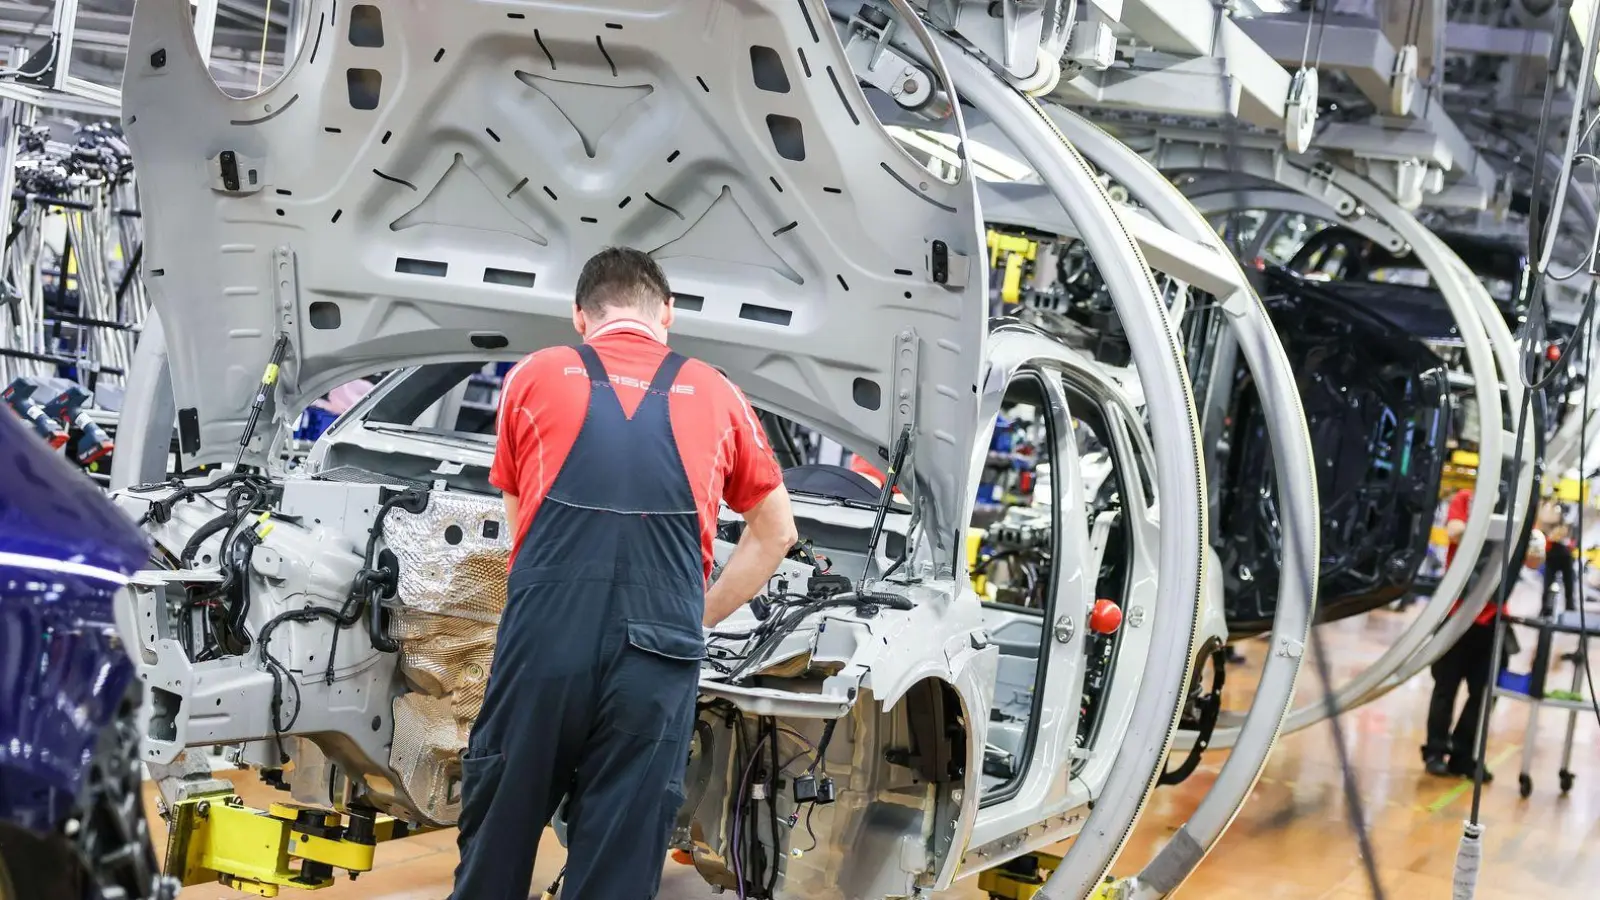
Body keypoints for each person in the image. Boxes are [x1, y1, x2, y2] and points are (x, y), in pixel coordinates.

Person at [450, 247, 799, 899]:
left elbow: (518, 517)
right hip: (658, 650)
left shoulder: (535, 374)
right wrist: (694, 618)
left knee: (500, 829)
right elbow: (777, 531)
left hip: (545, 643)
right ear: (667, 314)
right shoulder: (720, 392)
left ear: (580, 318)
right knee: (619, 855)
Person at [1421, 488, 1542, 780]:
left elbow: (1533, 559)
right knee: (1445, 688)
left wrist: (1530, 538)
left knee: (1486, 693)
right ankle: (1436, 750)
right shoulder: (1468, 498)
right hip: (1457, 615)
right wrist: (1500, 528)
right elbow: (1455, 532)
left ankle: (1463, 754)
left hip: (1493, 619)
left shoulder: (1519, 504)